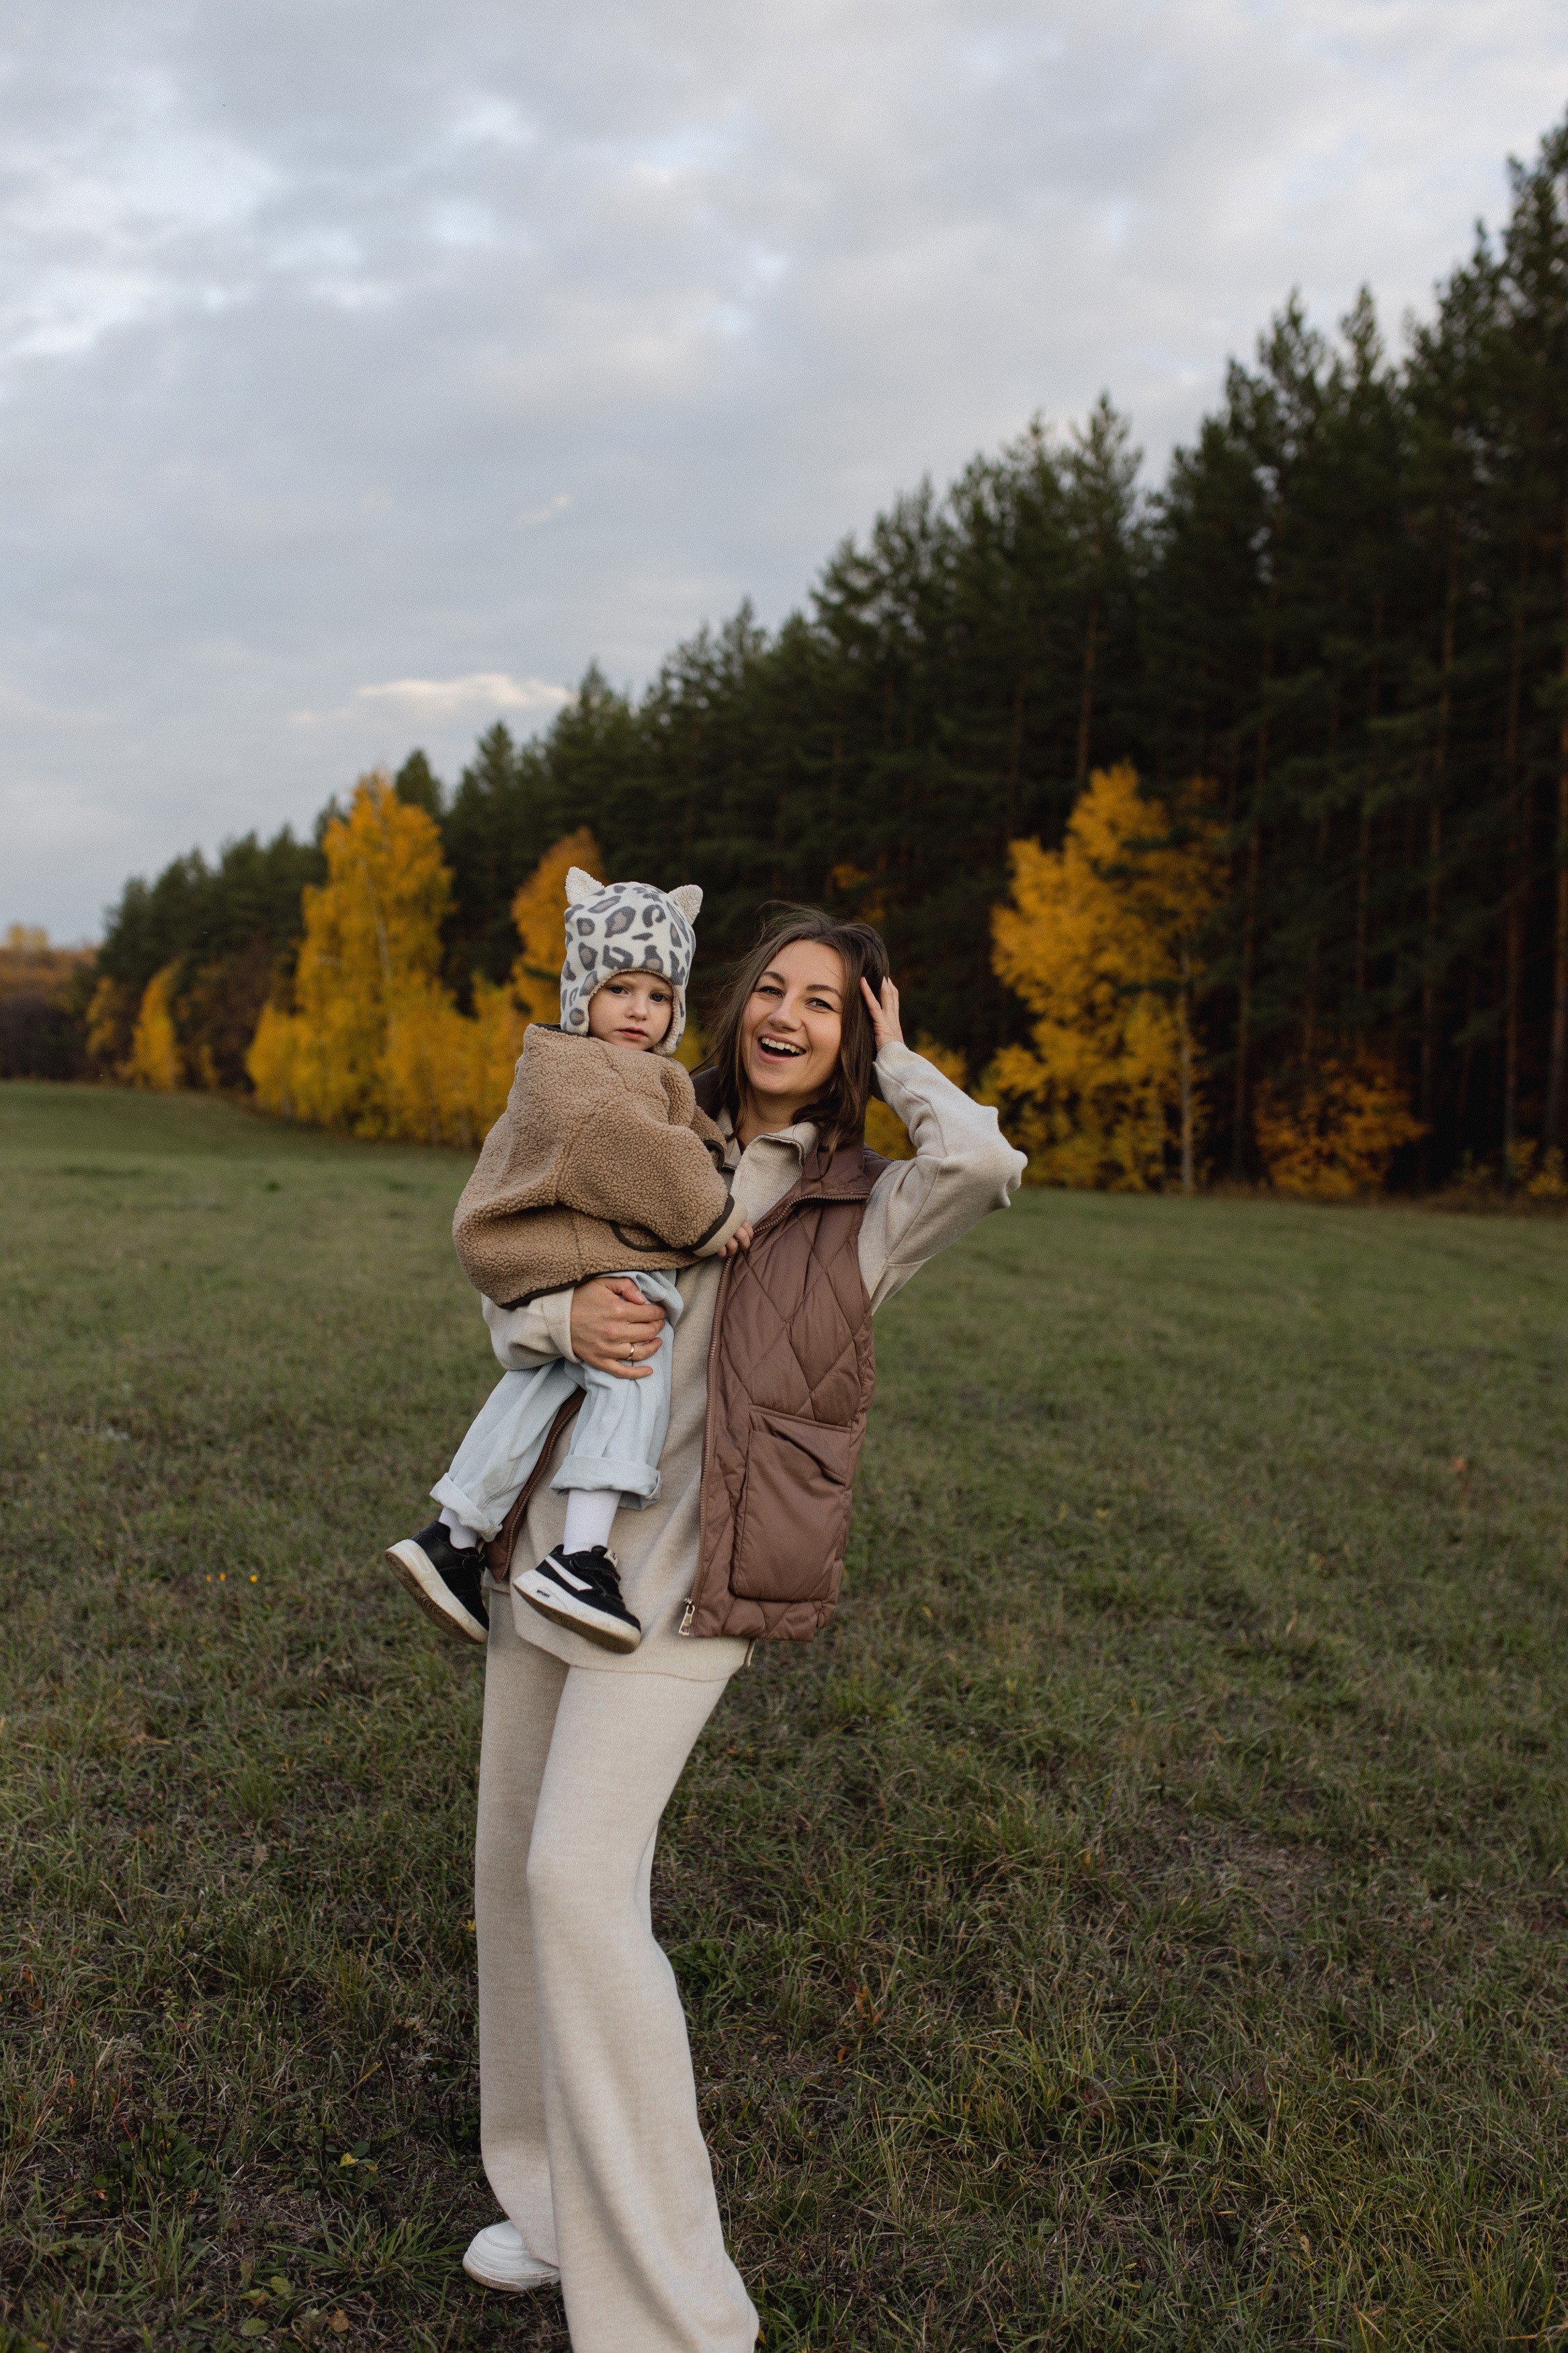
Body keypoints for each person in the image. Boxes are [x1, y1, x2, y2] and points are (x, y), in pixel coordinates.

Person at [457, 907, 1026, 2351]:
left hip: (695, 1581)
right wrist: (561, 1324)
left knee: (577, 1878)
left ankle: (673, 2312)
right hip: (556, 1550)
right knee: (515, 1872)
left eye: (823, 1004)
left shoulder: (868, 1200)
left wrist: (901, 1061)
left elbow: (982, 1158)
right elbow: (508, 1270)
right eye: (767, 989)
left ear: (855, 1031)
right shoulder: (647, 1116)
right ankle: (542, 2202)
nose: (783, 1016)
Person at [384, 869, 753, 1654]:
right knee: (633, 1364)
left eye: (657, 996)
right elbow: (631, 1150)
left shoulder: (646, 1071)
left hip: (573, 1260)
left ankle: (453, 1534)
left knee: (538, 1383)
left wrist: (710, 1151)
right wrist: (712, 1212)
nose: (639, 1010)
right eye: (619, 987)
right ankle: (581, 1553)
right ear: (580, 989)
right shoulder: (572, 1069)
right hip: (592, 1255)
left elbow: (686, 1131)